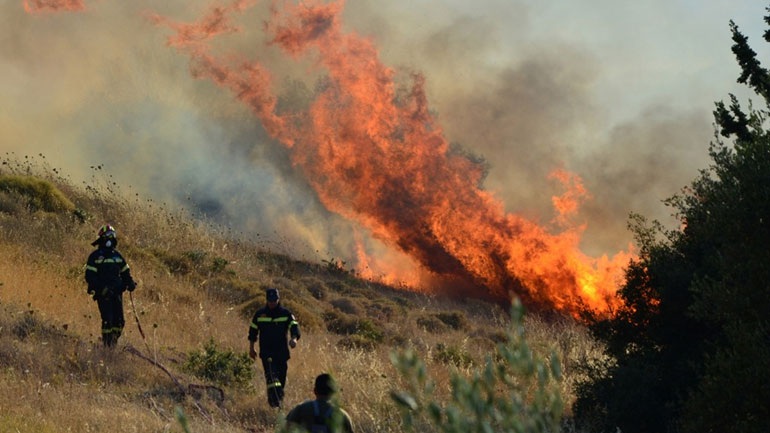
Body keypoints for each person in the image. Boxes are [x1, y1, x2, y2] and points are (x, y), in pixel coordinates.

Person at [84, 224, 136, 348]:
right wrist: (101, 289)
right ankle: (107, 346)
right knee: (108, 320)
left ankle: (113, 343)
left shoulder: (117, 256)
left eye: (112, 235)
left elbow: (125, 272)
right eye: (108, 236)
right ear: (101, 238)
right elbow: (90, 276)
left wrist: (130, 283)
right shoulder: (95, 257)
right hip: (103, 294)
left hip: (117, 293)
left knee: (119, 322)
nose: (110, 238)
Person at [248, 287, 301, 408]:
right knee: (272, 378)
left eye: (274, 300)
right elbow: (252, 332)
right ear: (266, 300)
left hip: (281, 353)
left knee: (281, 379)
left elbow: (294, 327)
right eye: (270, 300)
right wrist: (251, 348)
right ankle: (274, 404)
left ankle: (279, 401)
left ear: (278, 299)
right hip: (267, 352)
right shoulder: (260, 314)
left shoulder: (286, 314)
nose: (272, 303)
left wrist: (294, 339)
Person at [285, 373, 354, 433]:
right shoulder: (341, 415)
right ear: (333, 393)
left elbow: (285, 428)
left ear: (315, 391)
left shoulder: (301, 409)